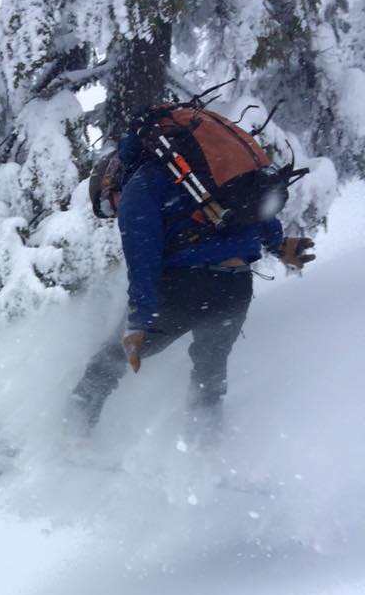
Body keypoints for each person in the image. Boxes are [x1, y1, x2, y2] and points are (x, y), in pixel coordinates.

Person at [71, 129, 316, 439]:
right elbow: (251, 207)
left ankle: (69, 434)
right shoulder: (206, 175)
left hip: (182, 289)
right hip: (235, 290)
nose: (113, 212)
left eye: (108, 205)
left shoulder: (140, 186)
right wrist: (280, 246)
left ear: (113, 181)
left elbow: (142, 261)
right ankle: (205, 448)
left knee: (109, 361)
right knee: (209, 374)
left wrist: (137, 321)